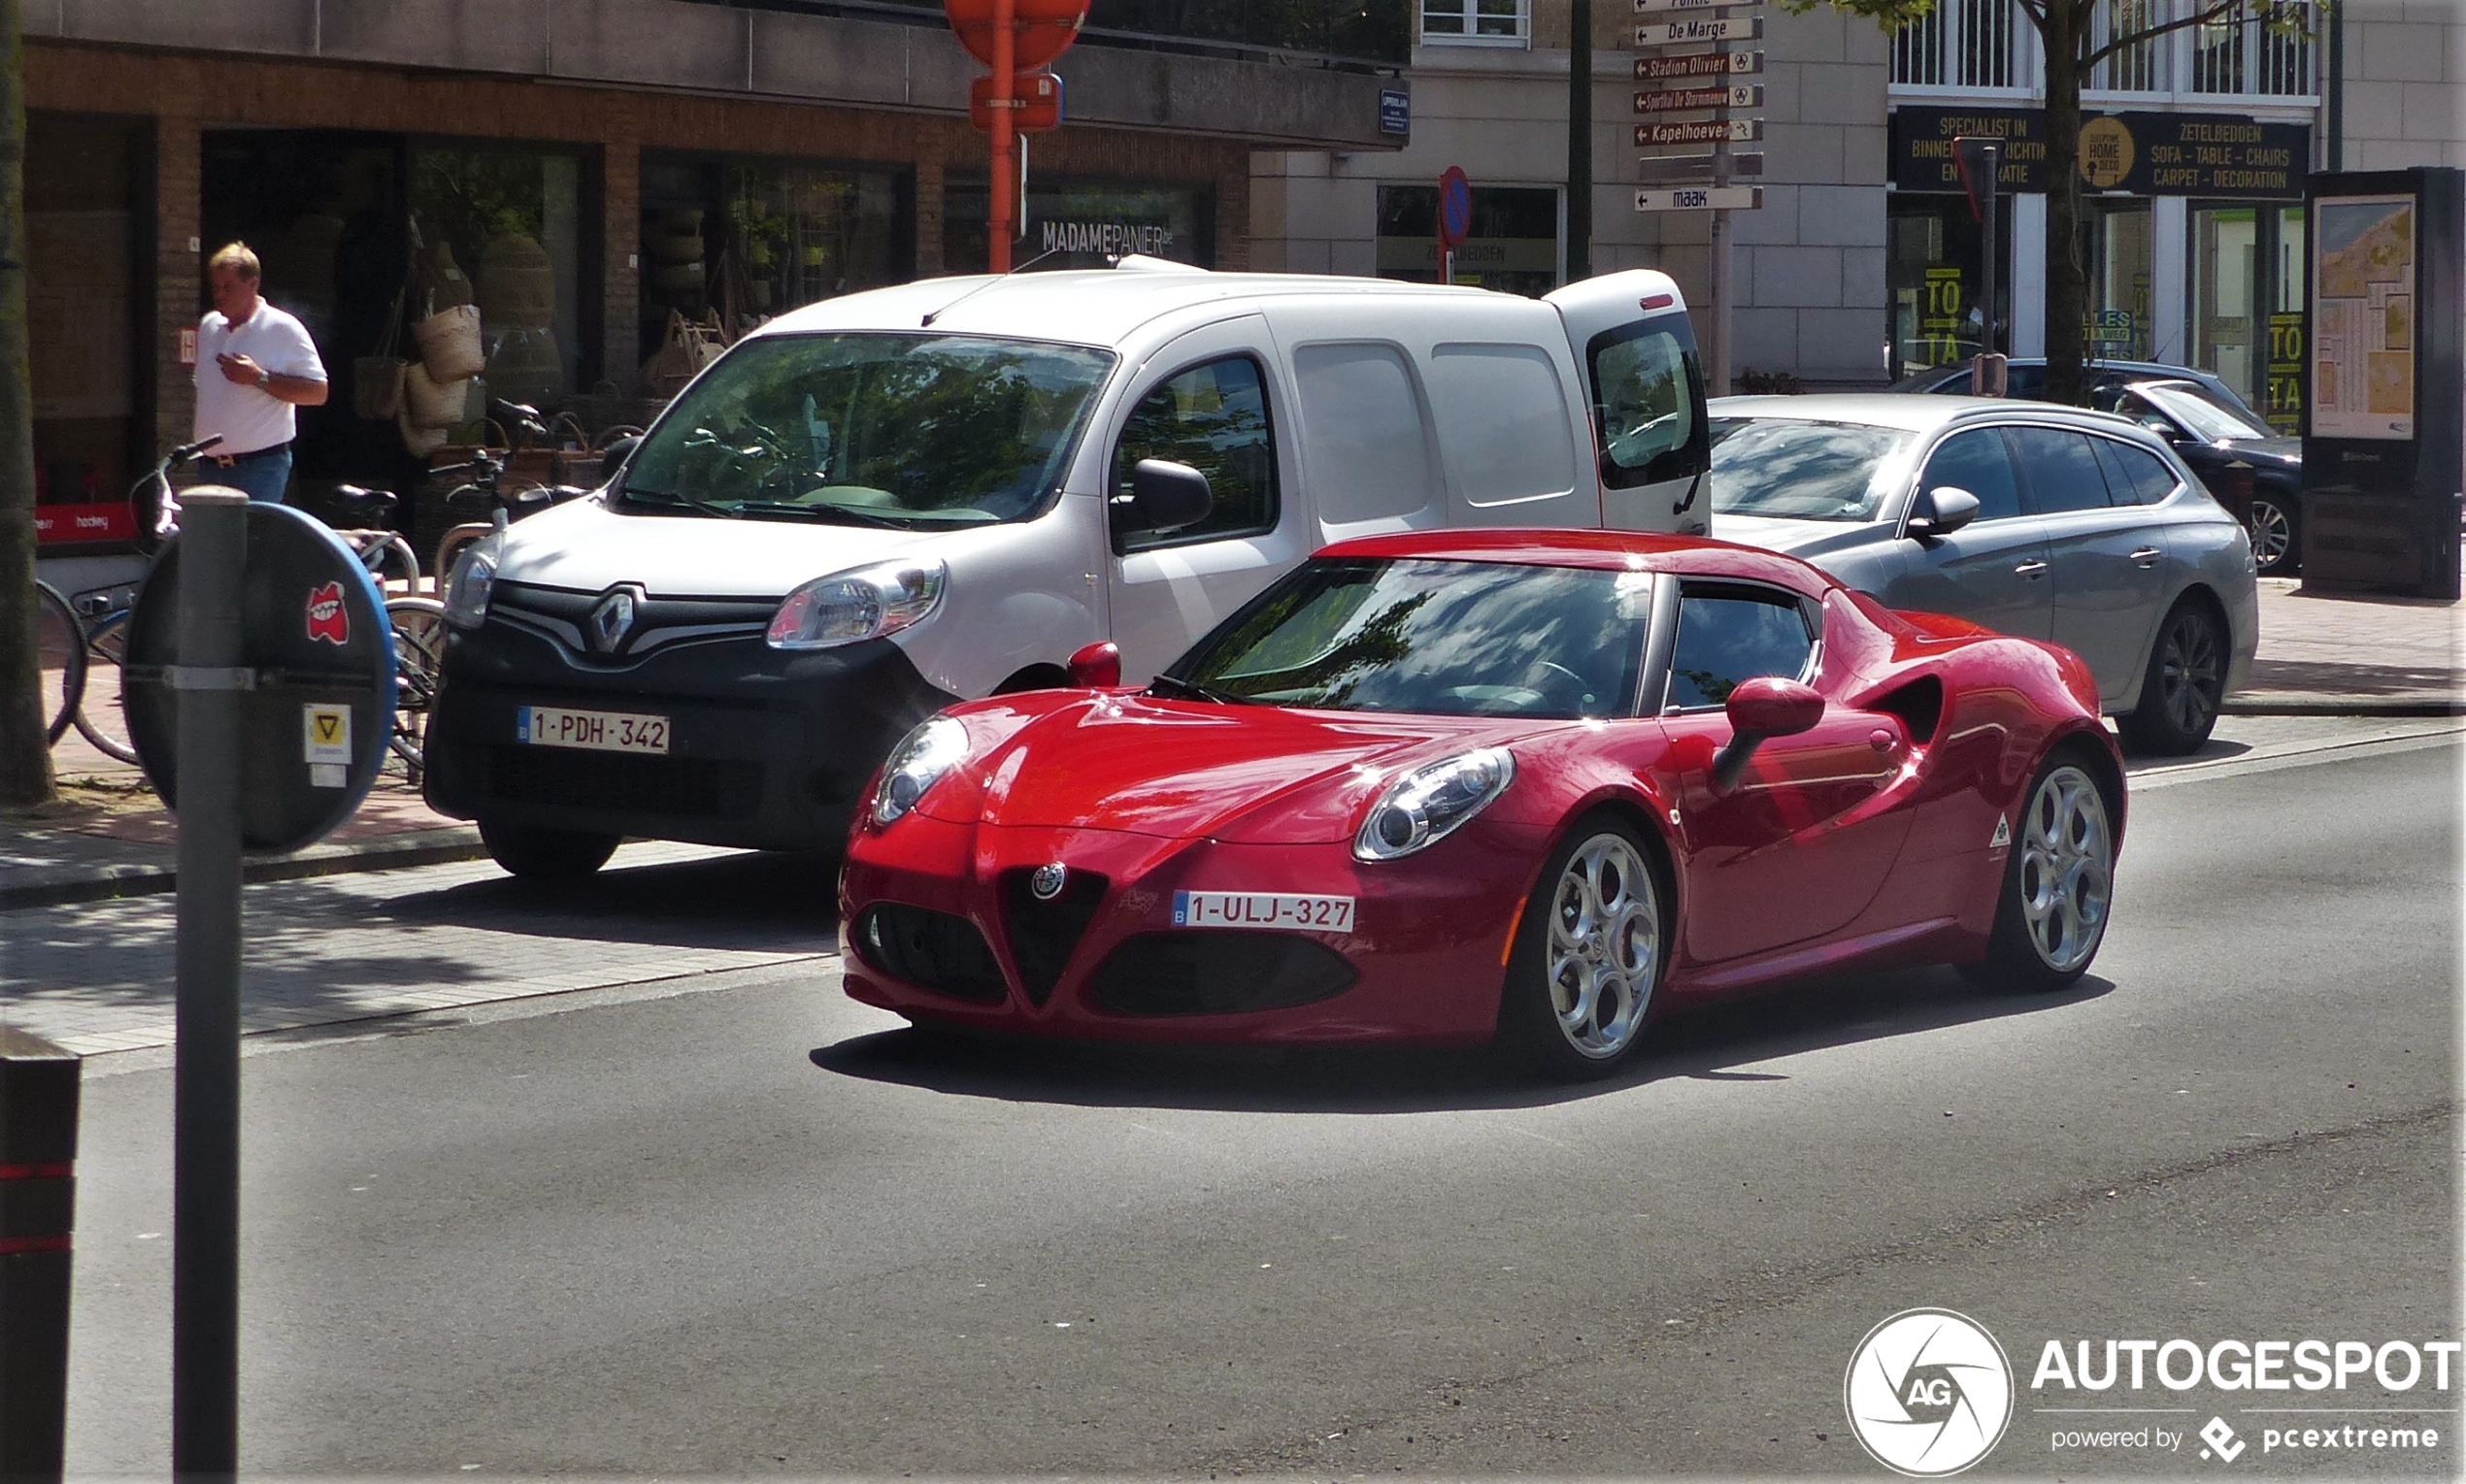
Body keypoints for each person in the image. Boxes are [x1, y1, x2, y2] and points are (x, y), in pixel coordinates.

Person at [193, 241, 327, 504]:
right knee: (212, 545)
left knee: (251, 543)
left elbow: (318, 392)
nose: (219, 295)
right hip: (210, 468)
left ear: (252, 284)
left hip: (258, 468)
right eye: (215, 287)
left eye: (228, 287)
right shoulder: (209, 326)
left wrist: (258, 378)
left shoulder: (283, 328)